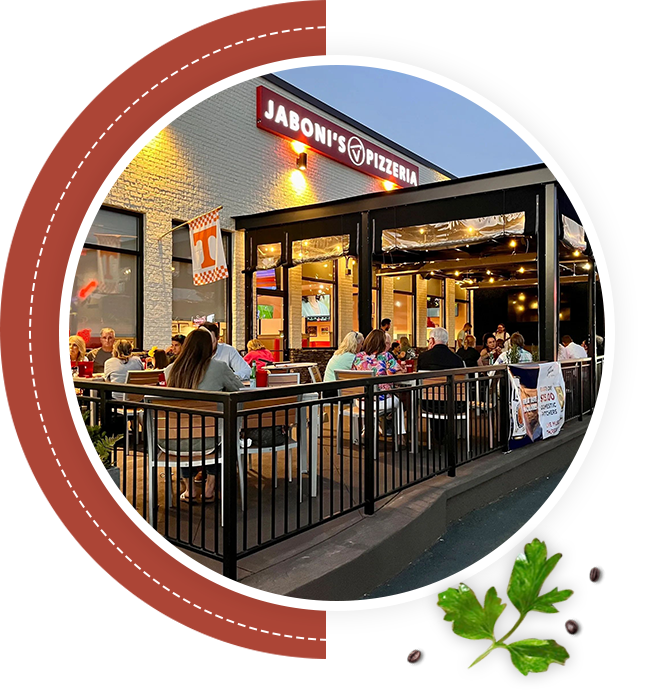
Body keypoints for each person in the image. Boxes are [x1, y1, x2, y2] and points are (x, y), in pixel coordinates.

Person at [164, 328, 244, 502]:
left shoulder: (170, 370)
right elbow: (239, 390)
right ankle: (209, 488)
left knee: (184, 428)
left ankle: (190, 489)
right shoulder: (219, 367)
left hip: (173, 440)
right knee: (220, 430)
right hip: (212, 440)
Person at [352, 329, 405, 437]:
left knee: (373, 401)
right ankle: (399, 434)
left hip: (361, 400)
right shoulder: (386, 356)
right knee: (399, 402)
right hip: (380, 401)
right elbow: (398, 375)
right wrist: (401, 369)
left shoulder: (358, 357)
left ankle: (367, 429)